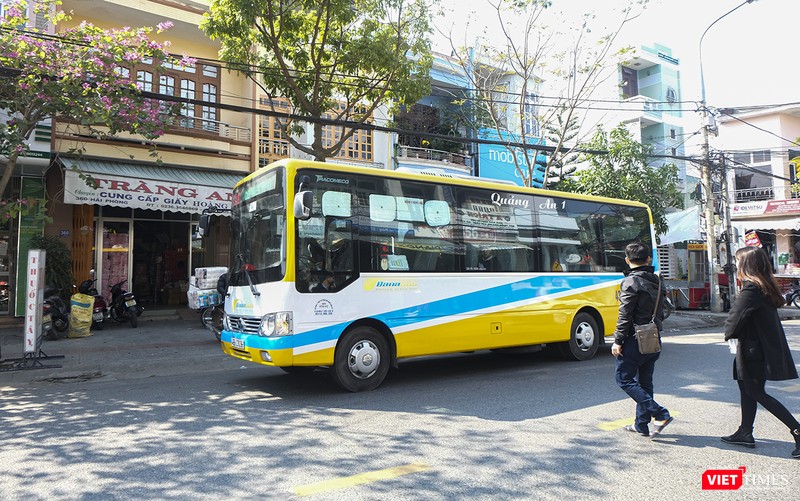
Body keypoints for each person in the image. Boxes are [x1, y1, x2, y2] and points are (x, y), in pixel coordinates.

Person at [721, 246, 800, 459]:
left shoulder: (751, 290)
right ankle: (745, 432)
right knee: (747, 389)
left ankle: (797, 430)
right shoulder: (763, 287)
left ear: (745, 265)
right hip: (756, 349)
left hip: (752, 351)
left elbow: (734, 320)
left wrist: (727, 334)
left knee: (755, 392)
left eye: (738, 261)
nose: (735, 265)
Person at [611, 242, 673, 437]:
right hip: (653, 336)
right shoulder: (658, 280)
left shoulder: (630, 282)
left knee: (624, 379)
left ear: (627, 260)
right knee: (645, 382)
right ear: (649, 259)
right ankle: (641, 424)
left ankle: (660, 412)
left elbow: (625, 315)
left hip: (634, 339)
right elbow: (664, 310)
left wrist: (618, 340)